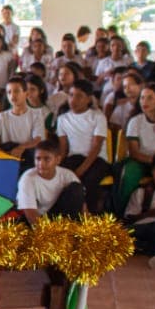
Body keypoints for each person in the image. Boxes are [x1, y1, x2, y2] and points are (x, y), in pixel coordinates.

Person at [56, 79, 111, 213]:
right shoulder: (62, 119)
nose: (73, 100)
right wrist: (57, 164)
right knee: (60, 179)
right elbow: (63, 147)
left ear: (88, 99)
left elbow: (96, 147)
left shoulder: (98, 117)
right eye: (71, 95)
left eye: (79, 96)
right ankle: (67, 216)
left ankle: (89, 216)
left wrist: (80, 170)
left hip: (97, 159)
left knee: (89, 180)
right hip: (74, 157)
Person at [17, 139, 84, 224]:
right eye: (38, 159)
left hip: (57, 215)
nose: (41, 164)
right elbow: (31, 215)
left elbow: (82, 204)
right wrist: (49, 234)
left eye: (47, 159)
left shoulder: (67, 175)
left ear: (57, 160)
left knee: (76, 188)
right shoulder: (28, 178)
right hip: (37, 219)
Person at [0, 75, 45, 168]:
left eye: (16, 91)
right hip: (6, 152)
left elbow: (37, 139)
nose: (12, 95)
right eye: (9, 92)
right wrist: (3, 154)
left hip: (27, 154)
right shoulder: (1, 117)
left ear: (26, 94)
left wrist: (21, 147)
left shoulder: (36, 115)